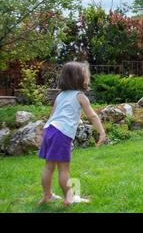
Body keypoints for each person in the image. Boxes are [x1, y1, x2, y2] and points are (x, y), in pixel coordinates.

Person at [38, 62, 106, 206]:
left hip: (50, 130)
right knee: (63, 169)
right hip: (61, 133)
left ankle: (47, 195)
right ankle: (69, 198)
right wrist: (102, 132)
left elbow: (53, 115)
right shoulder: (80, 96)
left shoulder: (60, 95)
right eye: (86, 76)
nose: (88, 79)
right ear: (79, 79)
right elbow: (92, 116)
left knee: (48, 167)